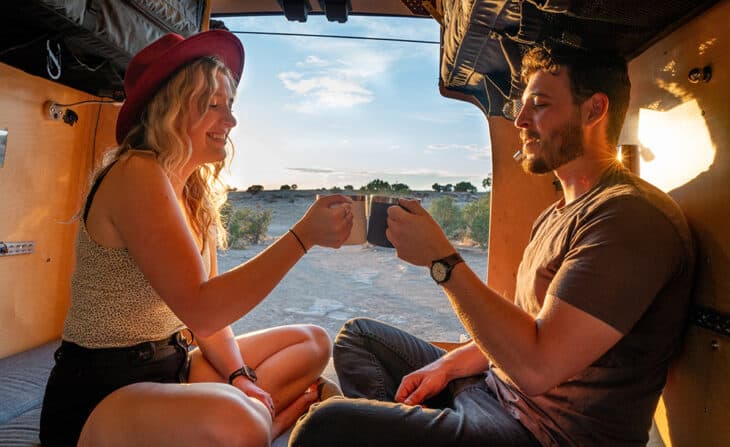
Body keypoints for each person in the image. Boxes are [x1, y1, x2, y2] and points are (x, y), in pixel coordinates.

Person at [289, 43, 695, 446]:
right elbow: (516, 328)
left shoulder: (630, 218)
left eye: (538, 104)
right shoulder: (556, 214)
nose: (519, 119)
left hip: (540, 432)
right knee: (359, 338)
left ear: (594, 110)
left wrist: (441, 261)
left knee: (323, 427)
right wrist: (447, 366)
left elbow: (536, 366)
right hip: (490, 391)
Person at [39, 29, 353, 447]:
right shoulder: (137, 172)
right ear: (172, 109)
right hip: (102, 392)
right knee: (240, 423)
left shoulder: (191, 192)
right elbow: (202, 308)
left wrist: (239, 376)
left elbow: (208, 320)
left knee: (312, 342)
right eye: (214, 105)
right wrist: (302, 237)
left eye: (230, 106)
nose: (231, 120)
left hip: (173, 369)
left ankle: (249, 414)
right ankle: (273, 422)